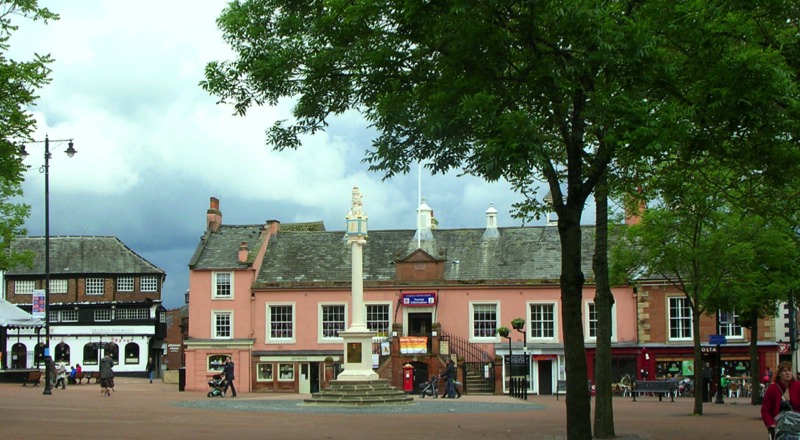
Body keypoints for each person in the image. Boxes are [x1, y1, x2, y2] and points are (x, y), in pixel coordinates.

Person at [761, 361, 800, 439]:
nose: (787, 373)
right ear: (779, 374)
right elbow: (765, 410)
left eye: (789, 370)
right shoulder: (772, 389)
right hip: (779, 428)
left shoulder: (798, 386)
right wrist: (770, 424)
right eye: (784, 371)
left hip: (797, 427)